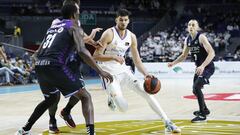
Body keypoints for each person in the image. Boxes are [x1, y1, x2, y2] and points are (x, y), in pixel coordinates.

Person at [15, 2, 113, 135]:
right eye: (78, 12)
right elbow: (82, 51)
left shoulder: (53, 27)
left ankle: (24, 130)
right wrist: (100, 71)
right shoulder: (73, 26)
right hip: (56, 65)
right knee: (85, 96)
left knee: (50, 99)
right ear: (74, 14)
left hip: (41, 65)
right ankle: (91, 133)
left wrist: (32, 65)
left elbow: (38, 52)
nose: (79, 14)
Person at [93, 9, 181, 133]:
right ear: (116, 20)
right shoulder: (108, 34)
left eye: (125, 20)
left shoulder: (132, 37)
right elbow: (96, 56)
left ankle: (167, 122)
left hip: (124, 71)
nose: (123, 22)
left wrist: (146, 74)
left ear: (128, 21)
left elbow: (137, 60)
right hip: (108, 72)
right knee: (123, 108)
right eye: (121, 19)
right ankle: (111, 96)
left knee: (147, 94)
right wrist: (113, 57)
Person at [45, 0, 103, 133]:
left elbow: (81, 38)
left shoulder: (76, 22)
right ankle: (52, 120)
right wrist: (91, 38)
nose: (78, 10)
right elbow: (80, 39)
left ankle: (66, 111)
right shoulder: (57, 22)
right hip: (58, 62)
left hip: (71, 62)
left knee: (80, 90)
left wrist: (93, 42)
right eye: (76, 7)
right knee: (55, 96)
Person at [168, 19, 215, 123]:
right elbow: (184, 55)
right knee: (194, 90)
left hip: (207, 67)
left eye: (193, 25)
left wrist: (203, 66)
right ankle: (205, 110)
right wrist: (173, 63)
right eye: (189, 24)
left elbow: (212, 53)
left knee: (197, 87)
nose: (191, 26)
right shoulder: (187, 40)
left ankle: (202, 115)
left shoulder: (201, 37)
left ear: (197, 27)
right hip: (199, 68)